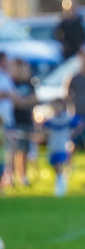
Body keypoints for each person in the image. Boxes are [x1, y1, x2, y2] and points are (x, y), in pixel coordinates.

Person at [41, 98, 83, 197]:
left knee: (60, 163)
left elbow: (80, 123)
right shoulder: (51, 120)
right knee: (55, 164)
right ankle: (59, 180)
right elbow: (43, 128)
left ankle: (60, 184)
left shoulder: (67, 118)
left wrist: (72, 135)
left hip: (62, 144)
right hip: (53, 144)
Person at [10, 58, 38, 187]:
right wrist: (24, 102)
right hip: (16, 120)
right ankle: (11, 176)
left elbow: (35, 99)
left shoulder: (30, 83)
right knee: (14, 149)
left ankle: (23, 175)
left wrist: (23, 102)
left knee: (25, 150)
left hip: (27, 120)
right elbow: (15, 101)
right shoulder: (13, 83)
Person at [0, 53, 17, 189]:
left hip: (8, 119)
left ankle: (7, 178)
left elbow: (14, 96)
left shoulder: (7, 77)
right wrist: (6, 94)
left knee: (8, 151)